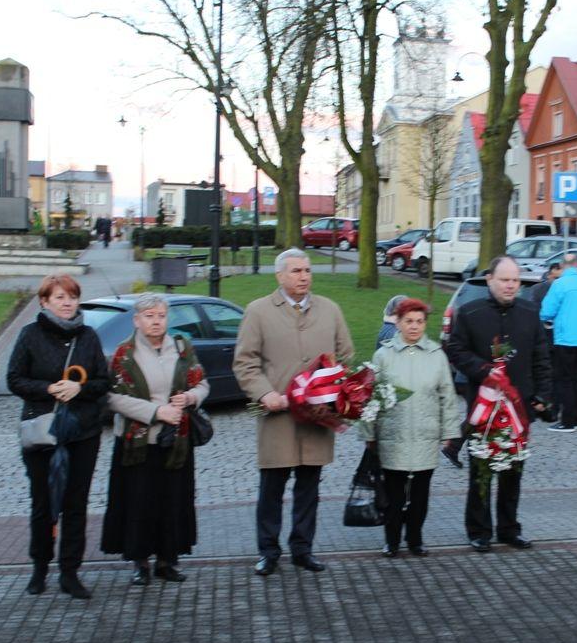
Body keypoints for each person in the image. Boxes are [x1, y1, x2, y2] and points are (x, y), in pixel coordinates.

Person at [233, 248, 353, 575]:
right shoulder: (258, 312)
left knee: (309, 489)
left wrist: (331, 391)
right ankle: (268, 551)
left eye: (307, 270)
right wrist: (265, 392)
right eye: (297, 271)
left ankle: (303, 548)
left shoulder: (330, 310)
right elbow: (245, 362)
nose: (304, 277)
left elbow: (345, 356)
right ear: (280, 276)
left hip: (317, 419)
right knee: (271, 489)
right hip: (279, 418)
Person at [7, 273, 112, 599]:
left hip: (82, 431)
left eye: (72, 297)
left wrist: (79, 388)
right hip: (42, 430)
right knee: (43, 503)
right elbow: (14, 379)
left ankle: (70, 572)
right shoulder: (30, 335)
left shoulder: (89, 337)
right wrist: (49, 387)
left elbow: (102, 383)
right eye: (59, 298)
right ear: (44, 302)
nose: (67, 303)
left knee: (75, 505)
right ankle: (39, 567)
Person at [101, 293, 210, 585]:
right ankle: (141, 562)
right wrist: (156, 411)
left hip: (177, 440)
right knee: (139, 503)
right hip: (138, 443)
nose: (156, 322)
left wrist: (190, 397)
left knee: (172, 502)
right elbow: (112, 398)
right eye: (149, 316)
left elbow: (202, 383)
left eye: (161, 316)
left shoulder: (182, 347)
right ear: (137, 320)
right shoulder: (125, 354)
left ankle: (167, 560)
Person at [446, 256, 552, 552]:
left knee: (512, 472)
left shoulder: (530, 312)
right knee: (481, 470)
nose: (510, 285)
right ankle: (479, 530)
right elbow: (454, 349)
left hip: (518, 409)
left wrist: (543, 396)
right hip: (484, 408)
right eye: (504, 279)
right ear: (490, 279)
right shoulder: (469, 312)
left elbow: (541, 356)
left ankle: (509, 528)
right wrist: (483, 370)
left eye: (515, 280)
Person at [364, 298, 462, 557]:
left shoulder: (436, 356)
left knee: (419, 496)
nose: (414, 327)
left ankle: (415, 539)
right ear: (397, 322)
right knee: (394, 496)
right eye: (409, 321)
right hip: (393, 436)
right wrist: (369, 434)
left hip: (424, 436)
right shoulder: (383, 355)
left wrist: (450, 433)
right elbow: (370, 398)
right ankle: (392, 540)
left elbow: (447, 396)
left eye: (419, 321)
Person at [540, 253, 577, 432]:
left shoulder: (559, 284)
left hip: (564, 338)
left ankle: (567, 421)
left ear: (563, 266)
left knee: (564, 380)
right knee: (573, 379)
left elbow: (547, 311)